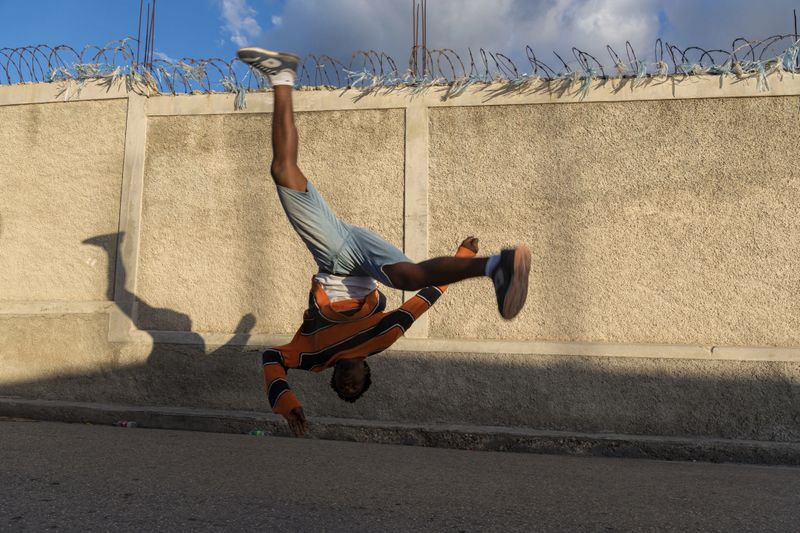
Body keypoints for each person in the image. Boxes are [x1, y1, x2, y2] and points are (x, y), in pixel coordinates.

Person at [237, 47, 532, 437]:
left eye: (342, 387)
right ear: (366, 370)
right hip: (361, 260)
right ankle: (498, 265)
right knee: (410, 279)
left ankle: (282, 77)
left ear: (332, 378)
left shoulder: (311, 358)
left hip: (332, 255)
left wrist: (286, 402)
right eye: (355, 384)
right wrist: (464, 255)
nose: (347, 382)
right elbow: (424, 299)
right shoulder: (384, 336)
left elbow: (272, 358)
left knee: (282, 168)